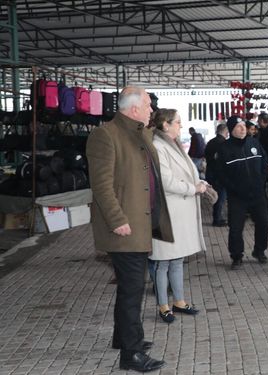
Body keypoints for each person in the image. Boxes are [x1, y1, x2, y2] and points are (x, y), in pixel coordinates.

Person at [86, 86, 173, 372]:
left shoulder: (140, 133)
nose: (152, 110)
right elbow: (101, 185)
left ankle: (122, 338)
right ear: (134, 107)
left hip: (141, 223)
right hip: (124, 226)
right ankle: (131, 354)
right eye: (148, 105)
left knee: (129, 287)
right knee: (134, 289)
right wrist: (117, 219)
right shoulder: (106, 135)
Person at [149, 108, 209, 323]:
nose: (180, 126)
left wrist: (200, 183)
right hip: (168, 211)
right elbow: (166, 181)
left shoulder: (173, 144)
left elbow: (186, 172)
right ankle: (163, 305)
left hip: (179, 211)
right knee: (162, 262)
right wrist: (193, 188)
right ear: (165, 124)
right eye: (178, 122)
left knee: (177, 259)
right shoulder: (158, 146)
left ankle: (179, 301)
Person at [215, 116, 268, 269]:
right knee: (236, 228)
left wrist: (261, 181)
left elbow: (264, 163)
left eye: (243, 125)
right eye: (238, 126)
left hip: (257, 194)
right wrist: (233, 188)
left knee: (263, 224)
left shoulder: (254, 143)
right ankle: (237, 256)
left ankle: (259, 251)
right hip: (237, 197)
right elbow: (220, 173)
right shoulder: (224, 148)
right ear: (231, 130)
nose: (242, 128)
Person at [205, 124, 229, 226]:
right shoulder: (223, 143)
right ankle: (217, 219)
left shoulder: (210, 142)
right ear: (224, 131)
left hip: (210, 172)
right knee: (220, 197)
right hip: (219, 175)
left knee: (217, 196)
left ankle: (218, 217)